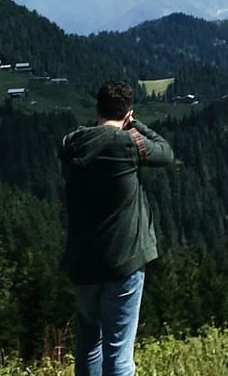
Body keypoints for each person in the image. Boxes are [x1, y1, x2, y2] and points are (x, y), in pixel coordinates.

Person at [59, 79, 173, 376]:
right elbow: (165, 152)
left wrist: (102, 124)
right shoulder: (129, 144)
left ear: (97, 108)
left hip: (83, 264)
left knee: (88, 345)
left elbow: (79, 137)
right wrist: (135, 125)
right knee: (119, 354)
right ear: (127, 114)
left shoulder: (72, 144)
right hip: (124, 260)